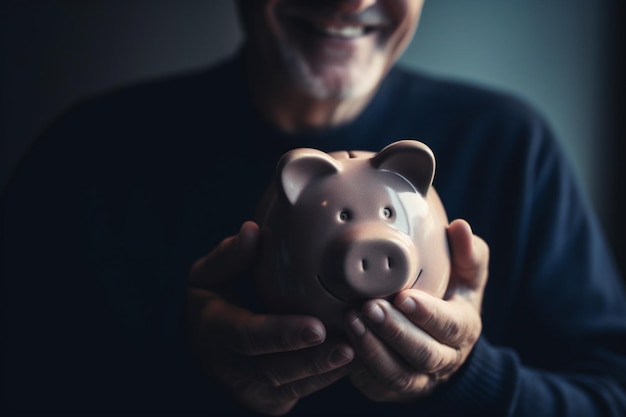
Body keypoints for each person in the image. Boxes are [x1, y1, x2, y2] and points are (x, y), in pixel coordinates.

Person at [1, 0, 624, 415]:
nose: (350, 2)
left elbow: (611, 392)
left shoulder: (512, 147)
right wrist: (188, 370)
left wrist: (464, 378)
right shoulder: (88, 155)